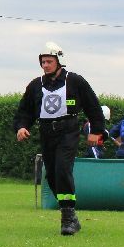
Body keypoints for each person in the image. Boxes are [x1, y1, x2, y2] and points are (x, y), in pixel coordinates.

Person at [13, 42, 104, 236]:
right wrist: (21, 127)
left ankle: (68, 216)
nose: (45, 65)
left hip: (68, 131)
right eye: (43, 62)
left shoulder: (75, 82)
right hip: (46, 133)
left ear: (59, 61)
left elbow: (93, 106)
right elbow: (25, 111)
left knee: (63, 169)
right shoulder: (35, 85)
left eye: (49, 61)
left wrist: (96, 131)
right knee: (52, 176)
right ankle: (67, 210)